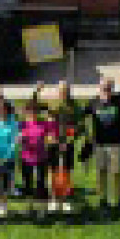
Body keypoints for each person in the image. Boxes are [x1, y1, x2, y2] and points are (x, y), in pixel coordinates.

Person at [83, 70, 120, 215]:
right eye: (104, 88)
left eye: (109, 88)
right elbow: (80, 117)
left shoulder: (119, 99)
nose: (106, 91)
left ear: (112, 88)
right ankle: (103, 200)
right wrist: (86, 135)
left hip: (116, 144)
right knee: (101, 172)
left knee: (117, 173)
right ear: (99, 88)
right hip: (99, 145)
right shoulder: (93, 102)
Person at [46, 81, 83, 214]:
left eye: (65, 90)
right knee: (54, 171)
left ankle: (66, 200)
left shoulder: (75, 106)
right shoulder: (52, 104)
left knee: (66, 172)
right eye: (61, 90)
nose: (63, 93)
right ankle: (54, 199)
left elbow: (80, 126)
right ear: (57, 91)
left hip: (68, 144)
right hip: (53, 144)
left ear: (69, 91)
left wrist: (69, 140)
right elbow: (48, 124)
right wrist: (51, 137)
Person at [19, 102, 55, 220]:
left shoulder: (44, 124)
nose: (32, 114)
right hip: (26, 158)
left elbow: (52, 134)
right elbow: (19, 138)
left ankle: (42, 209)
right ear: (26, 113)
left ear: (38, 113)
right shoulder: (23, 124)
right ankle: (29, 207)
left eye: (34, 112)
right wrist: (20, 139)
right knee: (27, 183)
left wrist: (50, 138)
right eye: (30, 112)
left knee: (41, 183)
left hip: (41, 158)